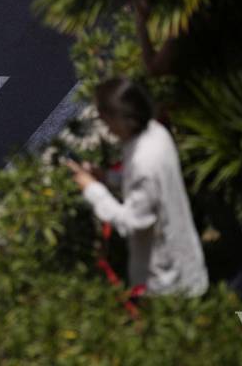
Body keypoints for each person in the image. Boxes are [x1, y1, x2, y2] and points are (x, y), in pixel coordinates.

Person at [65, 77, 208, 296]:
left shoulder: (143, 161)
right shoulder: (154, 133)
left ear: (120, 117)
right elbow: (146, 186)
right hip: (181, 256)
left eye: (106, 119)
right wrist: (106, 177)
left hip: (165, 279)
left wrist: (92, 190)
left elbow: (132, 222)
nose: (106, 127)